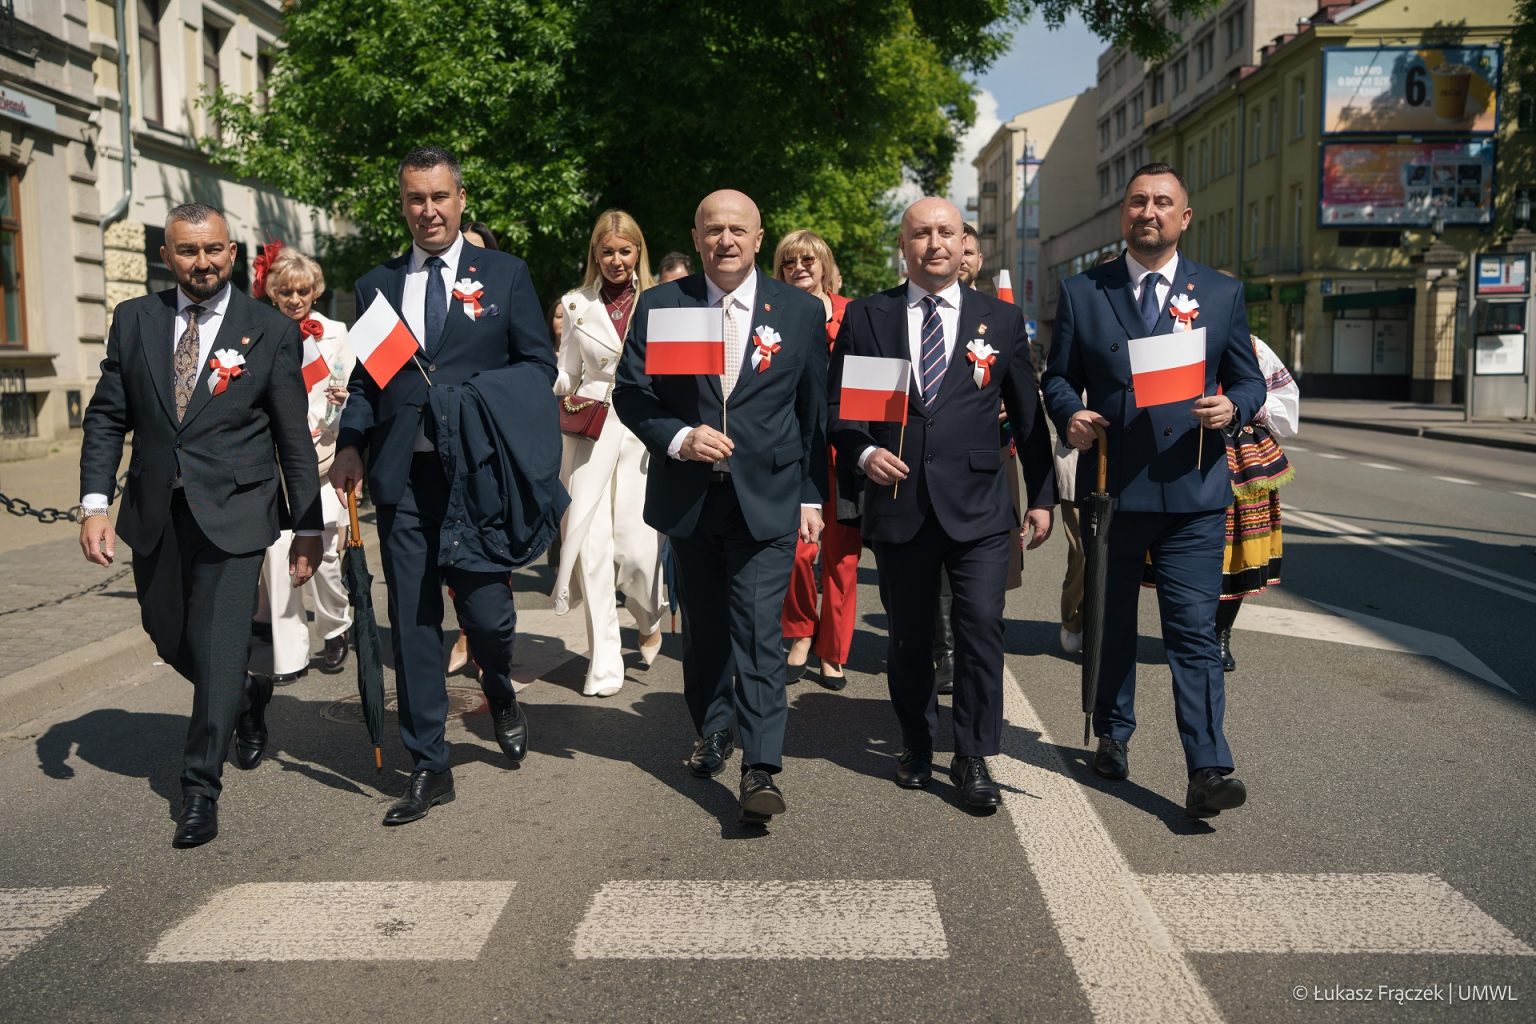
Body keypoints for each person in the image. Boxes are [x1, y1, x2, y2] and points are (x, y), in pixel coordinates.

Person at [77, 202, 323, 847]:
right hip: (155, 511)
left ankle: (199, 789)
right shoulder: (134, 320)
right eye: (188, 250)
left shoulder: (269, 330)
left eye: (213, 249)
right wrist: (95, 505)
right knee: (167, 633)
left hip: (237, 512)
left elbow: (293, 437)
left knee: (217, 646)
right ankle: (243, 696)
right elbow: (108, 417)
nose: (203, 262)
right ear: (167, 256)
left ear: (231, 253)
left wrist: (308, 526)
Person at [329, 146, 557, 826]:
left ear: (460, 201)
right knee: (414, 625)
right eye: (415, 199)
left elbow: (537, 367)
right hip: (405, 480)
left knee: (488, 618)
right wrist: (350, 443)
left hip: (479, 477)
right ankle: (430, 763)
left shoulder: (505, 275)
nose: (427, 210)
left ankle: (499, 685)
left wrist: (470, 401)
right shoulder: (376, 286)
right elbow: (368, 382)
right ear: (402, 205)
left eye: (438, 197)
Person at [1041, 162, 1264, 819]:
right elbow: (1058, 378)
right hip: (1114, 489)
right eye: (1138, 201)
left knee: (1193, 634)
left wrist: (1234, 408)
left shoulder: (1221, 293)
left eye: (1163, 202)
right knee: (1111, 623)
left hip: (1194, 494)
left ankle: (1209, 767)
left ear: (1184, 218)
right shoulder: (1084, 291)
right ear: (1123, 215)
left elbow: (1249, 380)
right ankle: (1113, 734)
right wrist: (1070, 415)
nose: (1149, 211)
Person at [829, 197, 1055, 810]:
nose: (934, 243)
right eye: (921, 233)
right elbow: (840, 409)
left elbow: (1029, 420)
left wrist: (1041, 496)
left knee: (980, 628)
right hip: (899, 502)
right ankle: (916, 742)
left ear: (963, 245)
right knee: (908, 637)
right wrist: (863, 453)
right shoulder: (869, 316)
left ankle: (973, 755)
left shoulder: (1000, 320)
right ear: (902, 246)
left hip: (979, 507)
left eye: (946, 232)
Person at [613, 189, 828, 826]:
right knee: (704, 632)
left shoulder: (799, 311)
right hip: (691, 497)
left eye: (738, 229)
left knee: (758, 631)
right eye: (713, 230)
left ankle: (761, 767)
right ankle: (712, 729)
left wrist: (811, 493)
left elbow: (813, 410)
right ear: (697, 237)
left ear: (759, 238)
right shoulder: (664, 305)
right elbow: (633, 393)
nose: (725, 240)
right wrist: (679, 437)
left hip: (767, 498)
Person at [552, 210, 665, 697]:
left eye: (625, 250)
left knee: (637, 550)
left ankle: (649, 615)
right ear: (595, 254)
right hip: (590, 428)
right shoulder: (575, 303)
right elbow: (567, 372)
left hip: (643, 427)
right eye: (607, 251)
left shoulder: (663, 301)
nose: (616, 260)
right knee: (589, 544)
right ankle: (603, 662)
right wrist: (549, 390)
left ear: (639, 252)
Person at [248, 246, 355, 687]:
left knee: (325, 556)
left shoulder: (336, 332)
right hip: (275, 460)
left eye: (303, 291)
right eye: (286, 291)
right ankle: (289, 655)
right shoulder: (256, 332)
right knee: (278, 558)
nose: (295, 299)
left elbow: (354, 387)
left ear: (316, 291)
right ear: (273, 293)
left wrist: (346, 402)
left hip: (324, 456)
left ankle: (336, 626)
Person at [774, 229, 856, 689]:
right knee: (797, 552)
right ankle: (801, 632)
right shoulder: (773, 315)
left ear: (824, 265)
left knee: (842, 558)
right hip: (796, 450)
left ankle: (833, 650)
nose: (799, 268)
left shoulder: (853, 314)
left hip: (845, 451)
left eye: (807, 260)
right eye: (789, 262)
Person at [1213, 334, 1298, 669]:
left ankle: (1220, 633)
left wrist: (1246, 405)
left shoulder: (1253, 347)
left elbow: (1288, 406)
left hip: (1242, 453)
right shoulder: (1168, 329)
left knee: (1238, 549)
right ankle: (1191, 631)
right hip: (1183, 446)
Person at [1056, 251, 1124, 657]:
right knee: (1084, 550)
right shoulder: (1081, 315)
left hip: (1123, 463)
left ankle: (1104, 624)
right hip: (1078, 458)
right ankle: (1074, 618)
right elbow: (1058, 380)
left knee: (1115, 555)